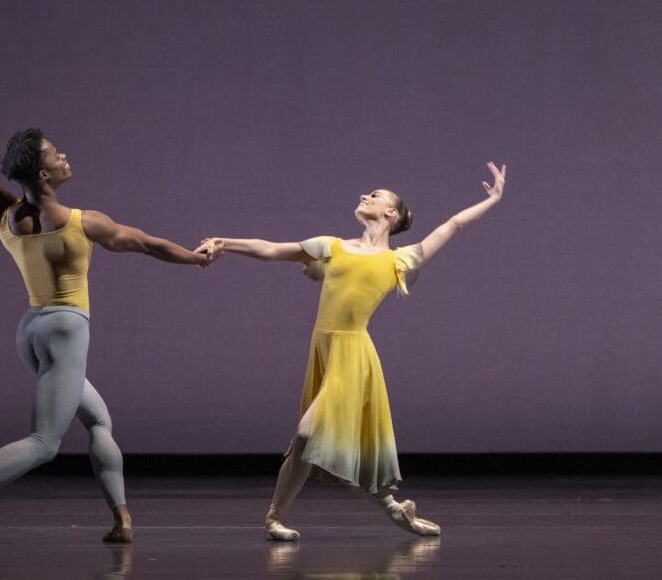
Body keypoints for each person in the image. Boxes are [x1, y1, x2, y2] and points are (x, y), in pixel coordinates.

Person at [0, 48, 215, 547]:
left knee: (98, 418)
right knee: (44, 443)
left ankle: (122, 519)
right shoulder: (83, 222)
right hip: (65, 328)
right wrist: (193, 257)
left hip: (32, 331)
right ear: (43, 175)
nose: (65, 158)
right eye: (56, 155)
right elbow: (144, 242)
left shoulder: (1, 208)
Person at [197, 163, 507, 540]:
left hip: (353, 356)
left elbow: (453, 225)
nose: (365, 196)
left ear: (391, 213)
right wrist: (223, 242)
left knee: (308, 434)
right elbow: (272, 248)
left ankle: (282, 516)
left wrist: (492, 199)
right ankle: (380, 510)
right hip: (325, 350)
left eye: (375, 195)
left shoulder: (398, 260)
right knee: (321, 442)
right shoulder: (332, 247)